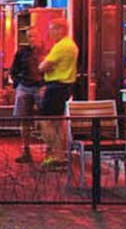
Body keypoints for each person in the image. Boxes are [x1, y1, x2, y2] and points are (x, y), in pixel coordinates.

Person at [37, 20, 78, 170]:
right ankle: (59, 154)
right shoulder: (71, 45)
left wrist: (43, 62)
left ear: (61, 30)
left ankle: (56, 154)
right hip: (65, 86)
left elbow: (42, 67)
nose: (50, 33)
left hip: (56, 86)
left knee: (45, 121)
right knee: (56, 122)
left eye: (52, 29)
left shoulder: (61, 47)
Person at [8, 43, 43, 163]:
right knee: (24, 119)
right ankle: (26, 150)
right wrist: (18, 82)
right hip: (25, 86)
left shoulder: (46, 51)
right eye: (30, 36)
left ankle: (49, 151)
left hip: (40, 87)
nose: (33, 40)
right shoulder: (23, 52)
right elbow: (14, 69)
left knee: (47, 119)